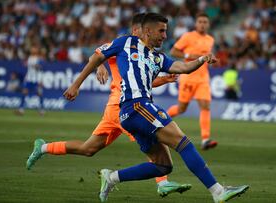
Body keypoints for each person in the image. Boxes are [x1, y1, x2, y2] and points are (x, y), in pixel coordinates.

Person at [63, 12, 249, 203]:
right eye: (161, 31)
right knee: (183, 143)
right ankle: (218, 192)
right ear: (147, 31)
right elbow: (96, 57)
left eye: (165, 31)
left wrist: (201, 60)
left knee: (163, 166)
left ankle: (111, 177)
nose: (164, 36)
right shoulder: (125, 42)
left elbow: (182, 67)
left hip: (133, 113)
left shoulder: (158, 58)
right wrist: (76, 84)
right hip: (137, 105)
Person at [26, 13, 191, 198]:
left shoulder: (143, 54)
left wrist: (164, 79)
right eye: (141, 31)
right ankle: (163, 183)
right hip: (123, 107)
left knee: (88, 149)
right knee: (151, 135)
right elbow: (98, 54)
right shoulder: (124, 43)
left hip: (118, 106)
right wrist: (100, 66)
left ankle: (43, 148)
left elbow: (143, 83)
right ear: (136, 30)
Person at [166, 13, 218, 150]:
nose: (202, 24)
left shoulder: (210, 39)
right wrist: (190, 56)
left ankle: (205, 139)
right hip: (188, 77)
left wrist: (211, 59)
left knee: (205, 106)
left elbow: (206, 56)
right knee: (181, 109)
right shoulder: (188, 36)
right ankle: (160, 119)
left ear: (208, 24)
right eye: (200, 21)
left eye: (205, 22)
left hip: (203, 79)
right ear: (196, 24)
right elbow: (174, 51)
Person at [16, 46, 44, 115]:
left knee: (39, 94)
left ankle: (41, 110)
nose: (32, 50)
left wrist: (40, 79)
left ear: (37, 50)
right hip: (29, 79)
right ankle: (21, 109)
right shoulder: (29, 58)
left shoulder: (39, 59)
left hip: (36, 79)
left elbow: (40, 68)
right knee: (24, 92)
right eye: (32, 49)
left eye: (34, 49)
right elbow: (27, 66)